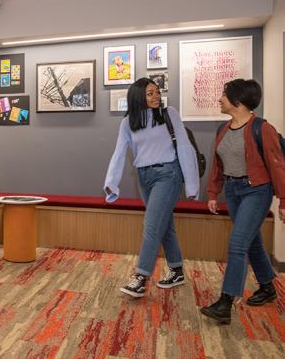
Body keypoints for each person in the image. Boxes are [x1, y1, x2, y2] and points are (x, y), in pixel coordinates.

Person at [104, 78, 199, 298]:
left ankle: (140, 277)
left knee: (151, 224)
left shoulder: (169, 114)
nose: (156, 96)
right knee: (163, 225)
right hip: (144, 177)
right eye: (150, 93)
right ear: (138, 97)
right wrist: (111, 183)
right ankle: (176, 270)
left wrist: (192, 184)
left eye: (157, 92)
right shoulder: (128, 122)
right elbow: (119, 152)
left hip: (168, 173)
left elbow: (185, 146)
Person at [201, 79, 285, 324]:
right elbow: (218, 165)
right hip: (233, 190)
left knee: (238, 244)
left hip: (256, 191)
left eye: (224, 95)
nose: (220, 99)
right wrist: (214, 193)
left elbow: (277, 166)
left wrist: (283, 200)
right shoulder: (223, 129)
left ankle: (226, 303)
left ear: (238, 101)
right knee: (252, 241)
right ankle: (268, 286)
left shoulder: (262, 128)